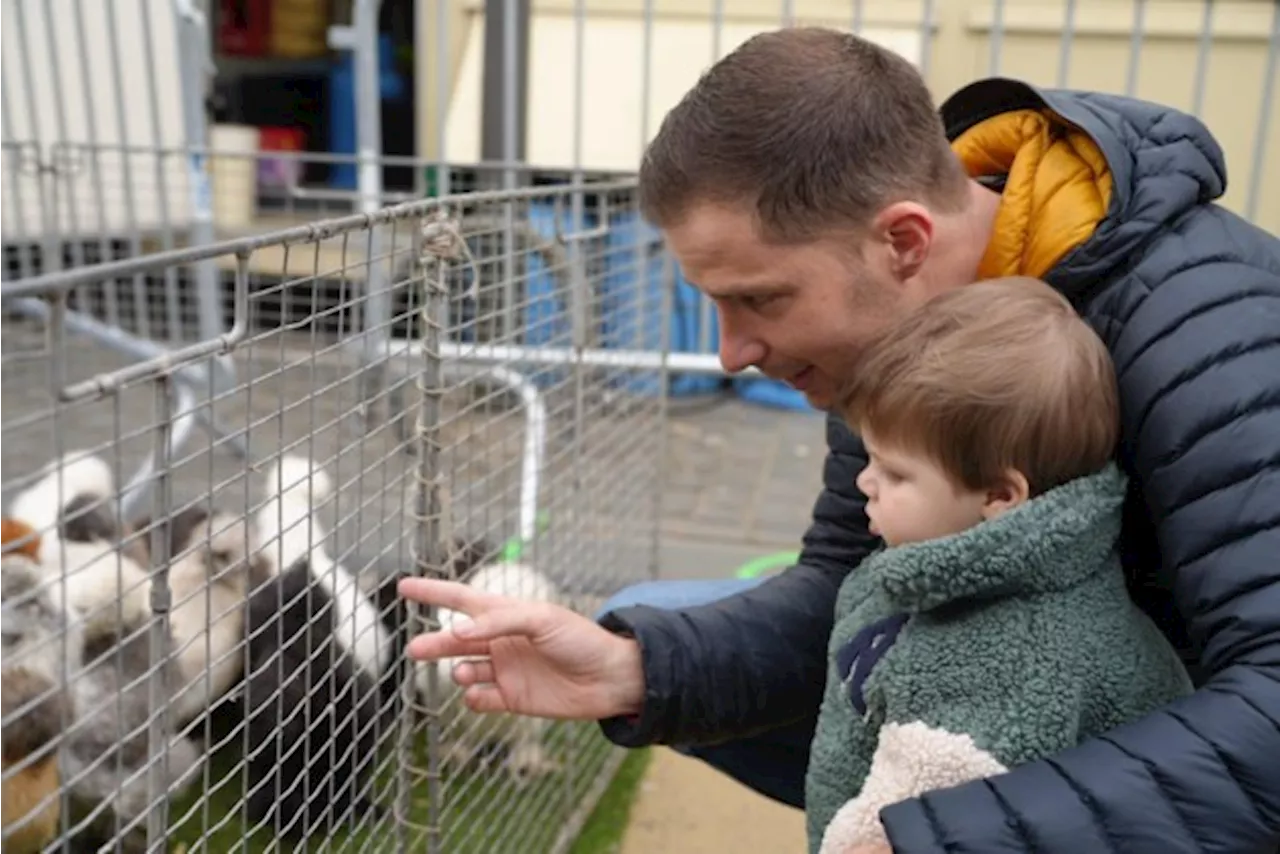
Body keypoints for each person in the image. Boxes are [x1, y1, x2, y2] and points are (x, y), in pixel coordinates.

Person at [399, 25, 1280, 853]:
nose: (732, 353)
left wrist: (948, 833)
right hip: (1026, 692)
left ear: (903, 239)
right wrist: (637, 670)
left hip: (1185, 718)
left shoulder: (1215, 331)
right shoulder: (906, 331)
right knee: (659, 608)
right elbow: (846, 583)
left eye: (761, 298)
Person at [802, 275, 1193, 854]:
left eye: (896, 472)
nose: (865, 482)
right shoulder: (959, 578)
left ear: (999, 496)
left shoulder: (1009, 654)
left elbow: (897, 830)